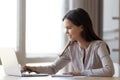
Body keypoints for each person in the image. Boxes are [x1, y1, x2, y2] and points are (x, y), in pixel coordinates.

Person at [22, 8, 114, 77]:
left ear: (82, 27)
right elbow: (53, 68)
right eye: (65, 28)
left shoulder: (99, 46)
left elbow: (109, 70)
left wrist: (81, 73)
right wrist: (33, 68)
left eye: (69, 28)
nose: (66, 32)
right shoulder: (71, 48)